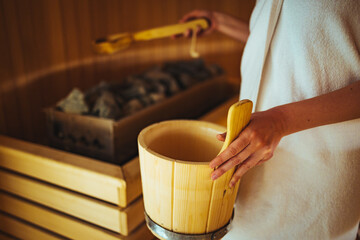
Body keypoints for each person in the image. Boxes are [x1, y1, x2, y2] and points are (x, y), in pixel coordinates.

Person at [179, 0, 360, 239]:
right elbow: (290, 47)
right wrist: (220, 22)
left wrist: (281, 121)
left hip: (317, 171)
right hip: (253, 156)